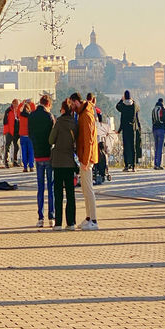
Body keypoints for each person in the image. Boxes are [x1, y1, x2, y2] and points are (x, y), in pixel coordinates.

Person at [71, 92, 99, 230]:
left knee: (88, 189)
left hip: (87, 158)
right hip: (84, 157)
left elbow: (89, 140)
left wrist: (86, 160)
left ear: (76, 102)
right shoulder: (83, 114)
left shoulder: (86, 115)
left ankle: (93, 220)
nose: (71, 107)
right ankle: (89, 218)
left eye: (72, 104)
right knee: (85, 189)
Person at [49, 100, 78, 230]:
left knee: (58, 193)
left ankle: (58, 223)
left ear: (62, 110)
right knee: (70, 194)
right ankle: (71, 222)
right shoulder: (74, 123)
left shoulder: (59, 123)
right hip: (69, 161)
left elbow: (51, 140)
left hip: (58, 162)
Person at [28, 94, 55, 228]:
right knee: (50, 187)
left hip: (38, 155)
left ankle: (40, 217)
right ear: (48, 104)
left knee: (40, 188)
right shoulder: (49, 117)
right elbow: (53, 135)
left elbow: (30, 133)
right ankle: (51, 216)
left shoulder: (32, 116)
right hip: (48, 155)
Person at [116, 90, 140, 172]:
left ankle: (126, 165)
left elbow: (117, 106)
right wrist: (133, 100)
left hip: (125, 129)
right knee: (133, 147)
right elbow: (138, 108)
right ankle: (133, 166)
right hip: (132, 129)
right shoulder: (134, 105)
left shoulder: (123, 105)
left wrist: (121, 100)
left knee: (126, 147)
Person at [17, 99, 35, 173]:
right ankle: (31, 166)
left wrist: (22, 103)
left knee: (24, 151)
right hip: (30, 135)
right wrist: (31, 103)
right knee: (31, 151)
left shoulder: (20, 116)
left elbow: (18, 109)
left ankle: (25, 167)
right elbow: (34, 109)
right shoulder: (31, 116)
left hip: (22, 135)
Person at [3, 99, 20, 168]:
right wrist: (7, 131)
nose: (17, 105)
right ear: (13, 103)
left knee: (17, 146)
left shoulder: (19, 111)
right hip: (9, 131)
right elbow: (5, 121)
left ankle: (15, 161)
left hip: (16, 132)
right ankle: (6, 162)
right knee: (7, 146)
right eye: (16, 104)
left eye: (17, 104)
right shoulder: (8, 111)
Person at [151, 97, 165, 169]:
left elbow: (152, 120)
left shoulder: (153, 110)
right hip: (161, 129)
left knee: (156, 147)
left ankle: (155, 163)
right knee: (160, 148)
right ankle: (158, 164)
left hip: (154, 129)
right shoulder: (163, 109)